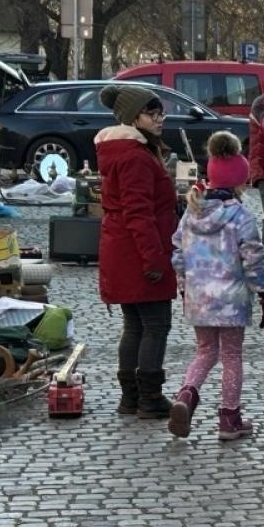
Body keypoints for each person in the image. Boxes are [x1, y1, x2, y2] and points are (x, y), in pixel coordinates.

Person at [167, 131, 264, 441]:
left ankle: (186, 396)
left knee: (204, 352)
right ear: (239, 182)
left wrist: (185, 283)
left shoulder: (192, 211)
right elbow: (253, 259)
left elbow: (177, 250)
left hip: (199, 298)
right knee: (231, 356)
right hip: (231, 300)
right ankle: (230, 418)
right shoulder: (240, 216)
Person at [95, 84, 178, 418]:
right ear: (133, 118)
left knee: (135, 325)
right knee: (155, 325)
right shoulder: (135, 157)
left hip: (124, 249)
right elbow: (138, 212)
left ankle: (131, 397)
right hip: (138, 251)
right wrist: (153, 259)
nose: (160, 120)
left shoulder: (127, 150)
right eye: (152, 114)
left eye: (161, 113)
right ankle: (149, 397)